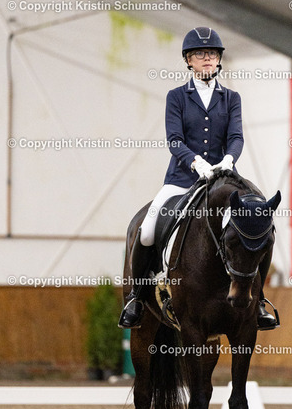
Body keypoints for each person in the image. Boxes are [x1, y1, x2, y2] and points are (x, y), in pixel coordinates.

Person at [119, 26, 277, 330]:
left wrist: (228, 159)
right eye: (200, 54)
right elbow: (174, 139)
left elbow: (236, 137)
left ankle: (258, 302)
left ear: (218, 59)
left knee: (262, 225)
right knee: (148, 230)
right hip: (182, 179)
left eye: (212, 54)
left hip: (224, 180)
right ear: (188, 60)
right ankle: (136, 298)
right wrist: (196, 163)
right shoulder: (177, 97)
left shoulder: (231, 98)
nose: (207, 58)